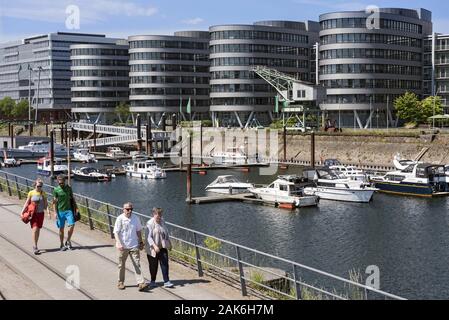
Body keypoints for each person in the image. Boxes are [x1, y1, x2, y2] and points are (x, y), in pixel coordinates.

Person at [113, 202, 148, 291]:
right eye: (127, 209)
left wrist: (140, 242)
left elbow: (138, 231)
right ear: (123, 209)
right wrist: (119, 243)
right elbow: (116, 232)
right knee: (121, 265)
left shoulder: (135, 218)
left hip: (134, 245)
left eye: (131, 209)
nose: (129, 211)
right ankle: (120, 282)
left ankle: (141, 283)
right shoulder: (120, 219)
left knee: (137, 264)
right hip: (123, 246)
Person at [145, 207, 174, 288]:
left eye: (161, 214)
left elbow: (166, 233)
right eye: (158, 215)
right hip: (152, 248)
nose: (160, 216)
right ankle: (153, 281)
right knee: (153, 266)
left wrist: (170, 244)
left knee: (165, 264)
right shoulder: (149, 223)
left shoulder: (162, 221)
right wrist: (154, 246)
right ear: (154, 214)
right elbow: (148, 237)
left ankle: (166, 281)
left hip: (162, 247)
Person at [21, 179, 48, 255]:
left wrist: (48, 211)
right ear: (35, 185)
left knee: (38, 229)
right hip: (33, 214)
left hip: (41, 214)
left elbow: (46, 205)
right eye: (38, 186)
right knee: (35, 229)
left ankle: (36, 243)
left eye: (41, 186)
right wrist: (22, 212)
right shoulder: (31, 193)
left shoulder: (43, 193)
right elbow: (27, 203)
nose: (39, 187)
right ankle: (35, 246)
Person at [52, 175, 77, 251]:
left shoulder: (68, 188)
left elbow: (72, 198)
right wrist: (55, 212)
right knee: (61, 228)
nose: (61, 184)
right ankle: (61, 244)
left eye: (62, 183)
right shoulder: (56, 190)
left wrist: (76, 208)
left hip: (68, 210)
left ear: (64, 181)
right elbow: (54, 203)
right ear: (58, 182)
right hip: (60, 211)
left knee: (72, 225)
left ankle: (68, 240)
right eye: (60, 183)